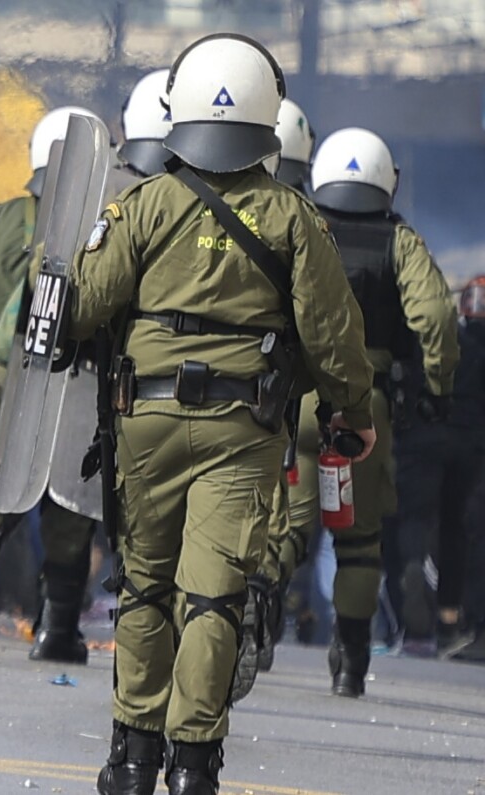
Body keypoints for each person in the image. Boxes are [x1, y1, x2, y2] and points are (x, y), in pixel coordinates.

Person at [64, 34, 376, 795]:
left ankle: (132, 757)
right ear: (267, 112)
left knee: (143, 586)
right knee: (211, 596)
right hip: (244, 433)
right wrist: (353, 413)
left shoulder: (142, 204)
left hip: (146, 421)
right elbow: (333, 332)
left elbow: (79, 307)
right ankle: (193, 765)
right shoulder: (295, 219)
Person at [296, 127, 458, 696]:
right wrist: (435, 388)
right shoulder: (399, 241)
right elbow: (436, 317)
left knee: (278, 529)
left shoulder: (297, 225)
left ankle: (256, 623)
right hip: (362, 414)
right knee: (357, 542)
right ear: (389, 179)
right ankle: (352, 662)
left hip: (294, 402)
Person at [0, 106, 101, 664]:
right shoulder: (105, 222)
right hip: (72, 380)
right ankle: (56, 628)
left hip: (1, 373)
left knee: (1, 481)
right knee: (69, 506)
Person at [231, 96, 319, 695]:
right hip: (293, 388)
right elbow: (332, 323)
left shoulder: (196, 203)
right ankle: (260, 588)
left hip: (211, 382)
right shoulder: (305, 218)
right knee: (290, 517)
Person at [392, 276, 485, 657]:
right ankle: (448, 617)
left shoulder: (422, 337)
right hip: (469, 445)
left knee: (414, 520)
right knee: (455, 528)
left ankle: (413, 569)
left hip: (421, 439)